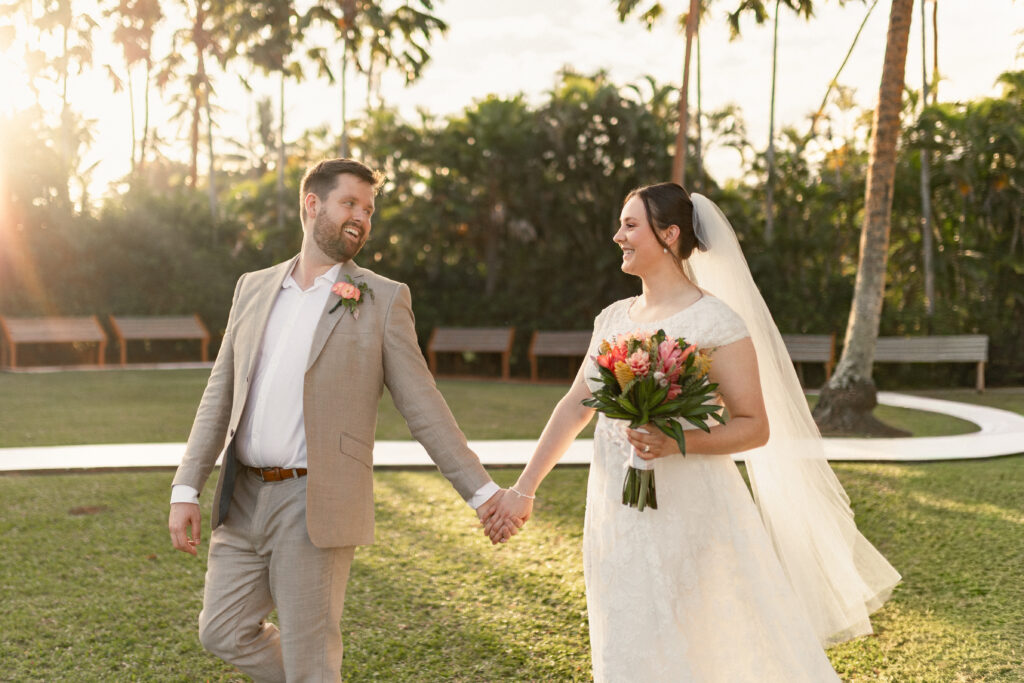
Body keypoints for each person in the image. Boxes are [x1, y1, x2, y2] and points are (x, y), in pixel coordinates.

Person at [485, 182, 901, 681]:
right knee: (626, 627)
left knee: (699, 636)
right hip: (615, 506)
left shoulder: (716, 320)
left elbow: (754, 426)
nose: (617, 235)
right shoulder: (613, 318)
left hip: (692, 509)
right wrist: (523, 489)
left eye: (630, 225)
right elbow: (576, 405)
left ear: (669, 234)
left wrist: (674, 443)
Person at [167, 158, 513, 682]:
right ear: (312, 204)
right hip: (241, 498)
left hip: (315, 500)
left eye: (369, 210)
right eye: (350, 203)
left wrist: (482, 492)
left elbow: (423, 404)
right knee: (221, 629)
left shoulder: (382, 298)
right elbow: (220, 390)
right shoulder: (253, 287)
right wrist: (186, 488)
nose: (361, 218)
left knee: (311, 655)